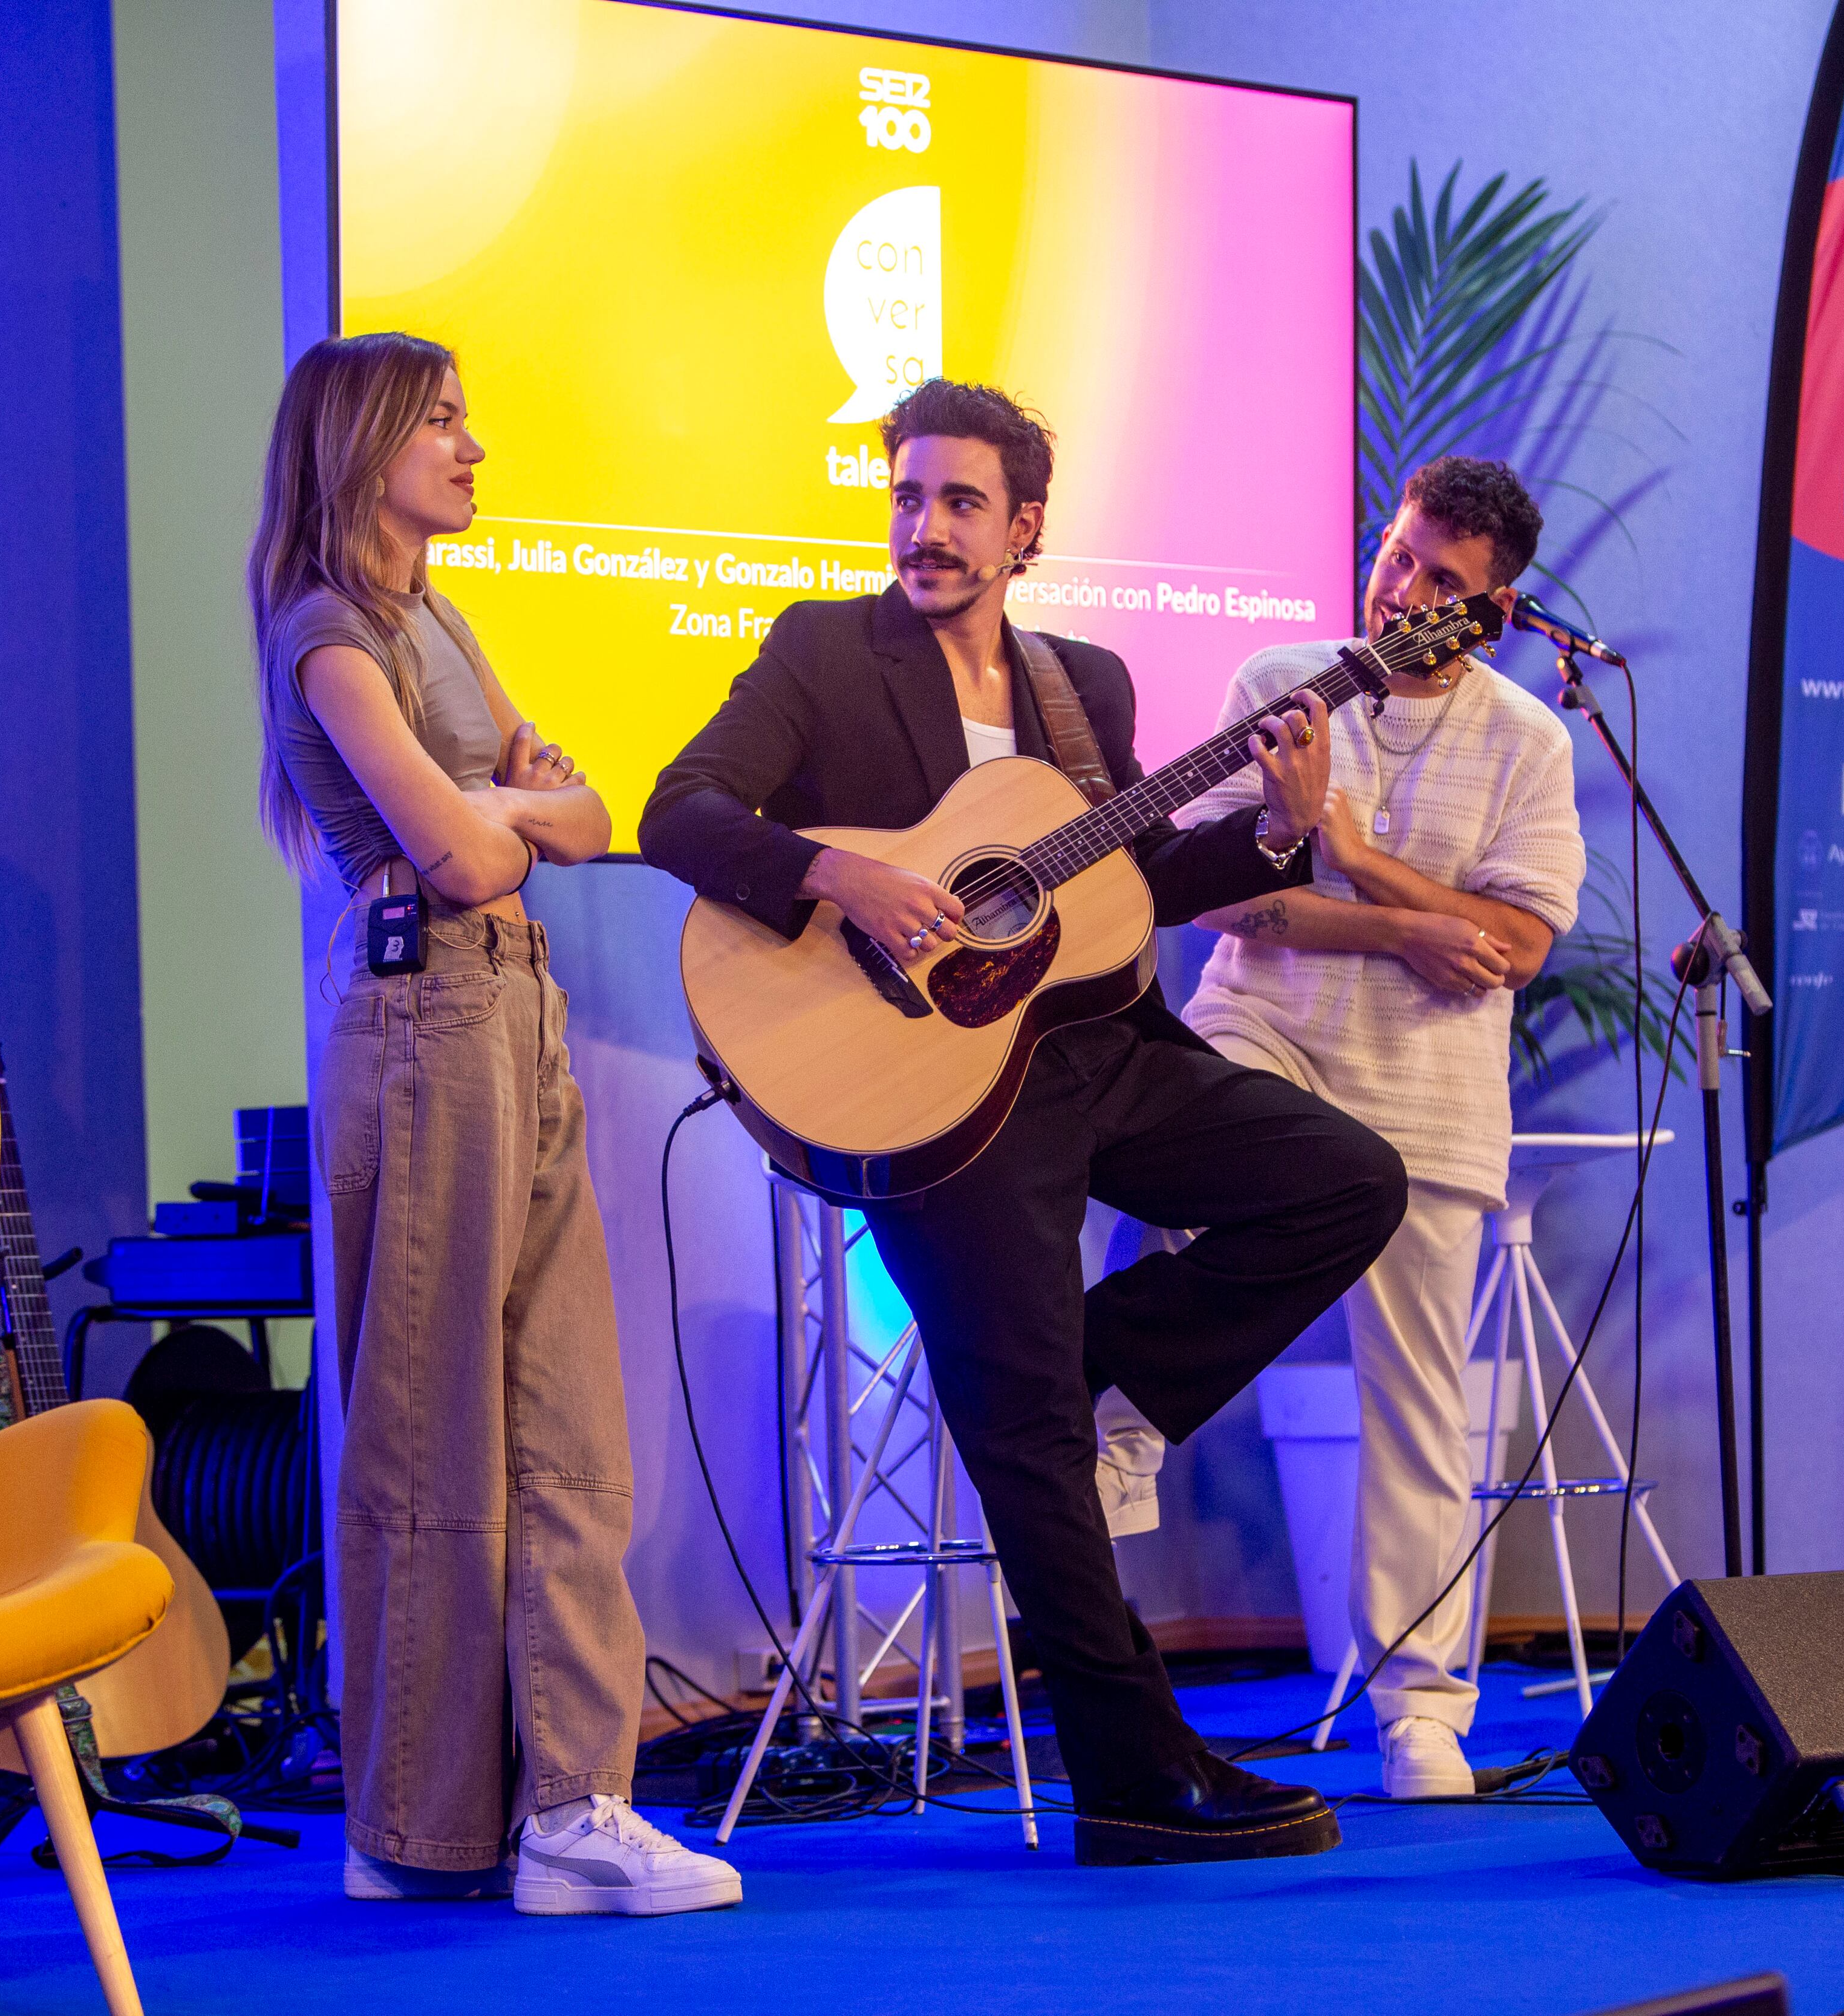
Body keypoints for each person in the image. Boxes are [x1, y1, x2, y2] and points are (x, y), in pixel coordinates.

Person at [639, 379, 1407, 1866]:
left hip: (1087, 1051)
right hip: (928, 1086)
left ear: (1026, 527)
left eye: (959, 502)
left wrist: (1270, 827)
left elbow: (1121, 893)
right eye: (908, 497)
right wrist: (837, 875)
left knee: (1343, 1181)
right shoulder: (822, 650)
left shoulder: (1083, 687)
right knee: (1024, 1422)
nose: (923, 528)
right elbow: (680, 811)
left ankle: (1101, 1373)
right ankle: (1130, 1771)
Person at [251, 331, 740, 1915]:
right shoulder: (330, 632)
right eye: (443, 423)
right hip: (425, 1026)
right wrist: (504, 816)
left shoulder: (438, 616)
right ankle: (421, 1819)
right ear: (362, 442)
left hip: (513, 1017)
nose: (473, 449)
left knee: (570, 1431)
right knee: (433, 1433)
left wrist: (501, 812)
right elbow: (458, 860)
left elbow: (585, 821)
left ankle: (569, 1805)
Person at [1165, 456, 1586, 1799]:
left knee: (1419, 1408)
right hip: (1265, 1033)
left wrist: (1348, 853)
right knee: (1161, 1193)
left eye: (1442, 579)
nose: (1403, 589)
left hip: (1430, 1098)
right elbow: (1222, 902)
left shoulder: (1531, 738)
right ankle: (1115, 1416)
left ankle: (1418, 1709)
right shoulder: (1276, 684)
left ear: (1496, 607)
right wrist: (1412, 923)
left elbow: (1515, 941)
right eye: (1398, 554)